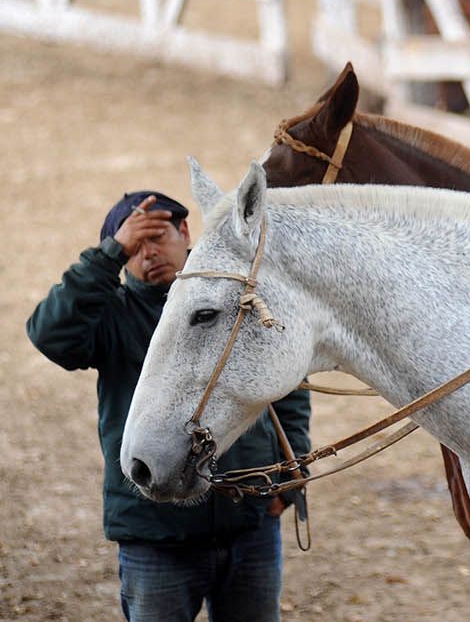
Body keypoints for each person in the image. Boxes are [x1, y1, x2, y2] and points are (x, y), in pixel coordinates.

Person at [27, 191, 311, 622]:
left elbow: (287, 382)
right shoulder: (111, 315)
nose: (149, 254)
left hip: (249, 527)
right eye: (133, 247)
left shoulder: (239, 299)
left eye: (156, 237)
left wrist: (293, 469)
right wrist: (107, 255)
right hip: (155, 536)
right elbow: (50, 334)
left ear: (184, 231)